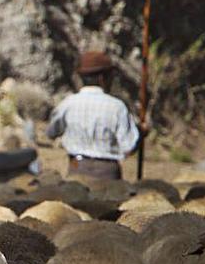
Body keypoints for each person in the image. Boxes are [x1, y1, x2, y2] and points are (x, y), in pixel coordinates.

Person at [45, 50, 146, 180]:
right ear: (102, 78)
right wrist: (141, 132)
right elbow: (129, 147)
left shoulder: (67, 104)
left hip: (77, 169)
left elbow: (51, 133)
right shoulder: (117, 107)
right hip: (107, 174)